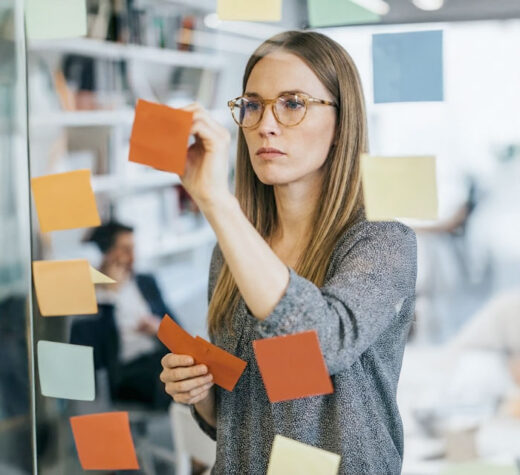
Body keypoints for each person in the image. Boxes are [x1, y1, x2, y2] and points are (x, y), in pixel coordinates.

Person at [159, 31, 417, 474]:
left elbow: (321, 346)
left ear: (341, 124)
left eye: (293, 103)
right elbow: (239, 421)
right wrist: (199, 392)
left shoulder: (383, 242)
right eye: (253, 105)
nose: (266, 124)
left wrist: (217, 201)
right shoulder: (235, 248)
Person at [73, 220, 179, 410]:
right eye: (125, 249)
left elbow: (179, 328)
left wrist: (157, 328)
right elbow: (94, 355)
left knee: (198, 371)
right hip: (125, 371)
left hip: (159, 356)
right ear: (106, 253)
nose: (132, 256)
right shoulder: (90, 295)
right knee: (174, 381)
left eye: (133, 248)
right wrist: (110, 297)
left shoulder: (145, 282)